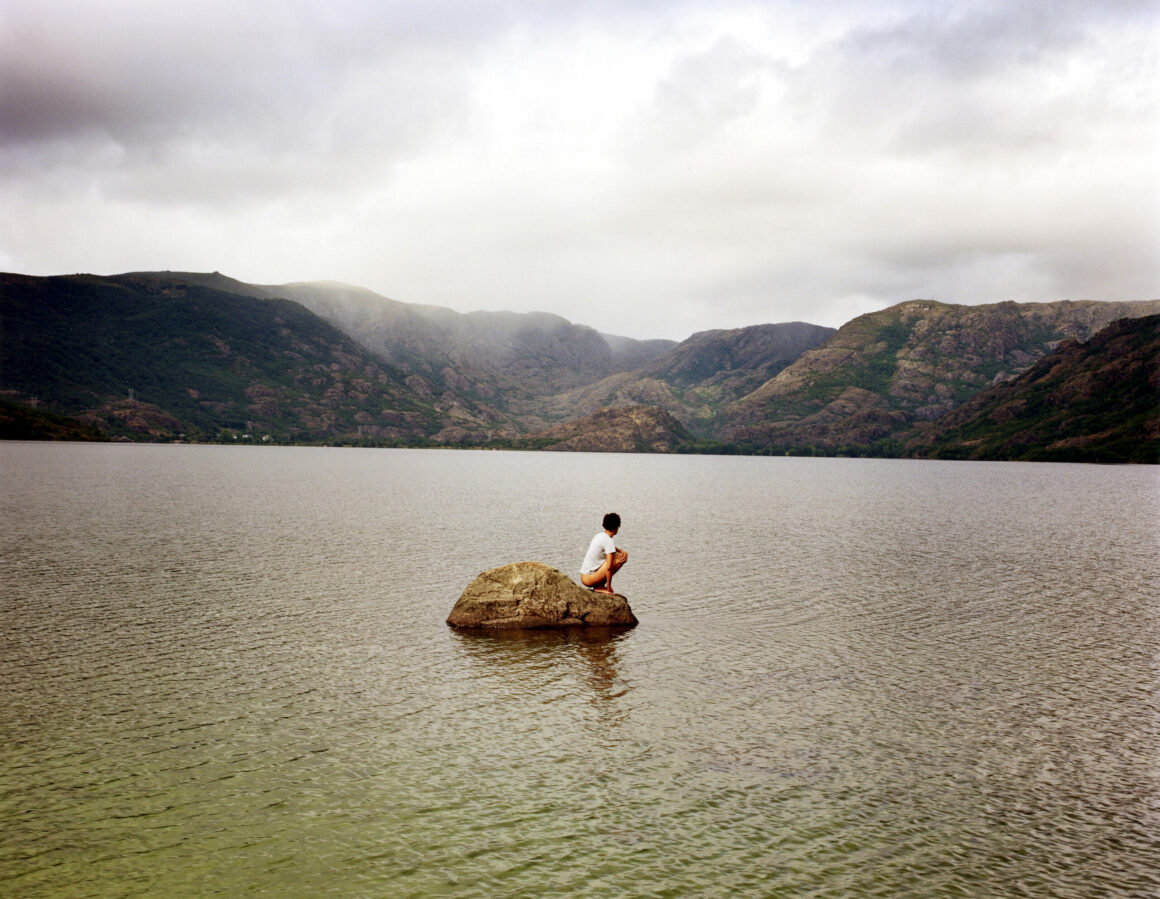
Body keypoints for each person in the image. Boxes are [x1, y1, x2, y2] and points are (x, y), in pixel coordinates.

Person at [580, 512, 628, 594]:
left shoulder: (600, 535)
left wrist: (621, 551)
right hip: (589, 579)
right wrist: (609, 587)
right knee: (620, 558)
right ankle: (600, 586)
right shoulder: (609, 541)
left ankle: (599, 586)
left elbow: (610, 547)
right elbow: (609, 567)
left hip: (584, 576)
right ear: (617, 527)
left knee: (619, 555)